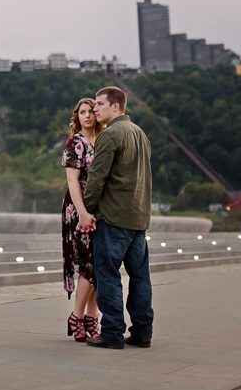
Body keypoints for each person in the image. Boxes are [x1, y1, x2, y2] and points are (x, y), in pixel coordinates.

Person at [81, 86, 154, 349]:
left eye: (100, 104)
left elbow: (96, 178)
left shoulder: (110, 134)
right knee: (140, 277)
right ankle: (143, 333)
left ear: (116, 106)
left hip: (113, 218)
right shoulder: (140, 134)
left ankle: (112, 333)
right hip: (138, 218)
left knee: (108, 276)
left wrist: (86, 211)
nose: (96, 108)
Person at [60, 98, 102, 342]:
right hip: (79, 208)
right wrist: (83, 213)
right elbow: (72, 180)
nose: (87, 116)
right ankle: (78, 316)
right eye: (82, 112)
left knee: (99, 264)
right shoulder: (75, 142)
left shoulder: (103, 140)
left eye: (91, 111)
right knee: (88, 264)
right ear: (77, 116)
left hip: (99, 208)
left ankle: (91, 317)